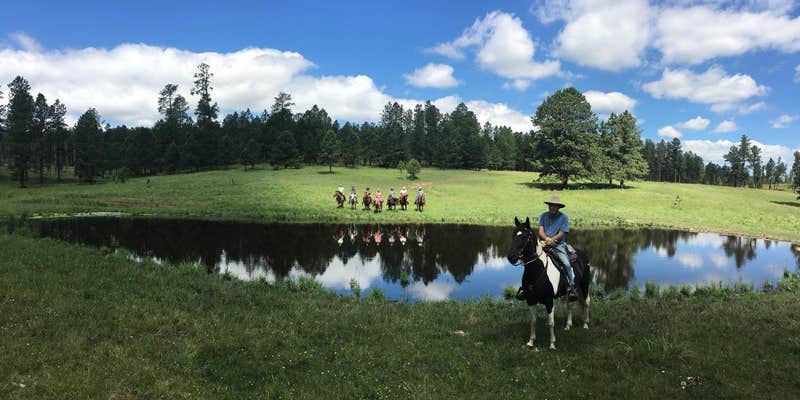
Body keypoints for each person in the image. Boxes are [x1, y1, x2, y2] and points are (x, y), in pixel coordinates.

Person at [538, 195, 575, 295]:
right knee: (530, 260)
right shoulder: (543, 216)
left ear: (559, 207)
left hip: (558, 245)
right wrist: (547, 239)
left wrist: (552, 240)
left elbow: (562, 233)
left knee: (566, 263)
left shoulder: (564, 217)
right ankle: (526, 286)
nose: (552, 207)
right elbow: (540, 231)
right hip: (543, 243)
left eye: (555, 206)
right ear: (549, 206)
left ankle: (571, 286)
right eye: (551, 205)